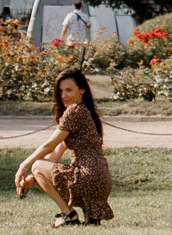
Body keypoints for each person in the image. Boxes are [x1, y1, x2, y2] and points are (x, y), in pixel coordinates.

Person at [16, 69, 115, 226]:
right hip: (102, 181)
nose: (64, 95)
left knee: (36, 165)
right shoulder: (87, 112)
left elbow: (49, 146)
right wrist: (33, 178)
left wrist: (24, 166)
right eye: (61, 91)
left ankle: (68, 214)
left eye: (69, 90)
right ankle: (90, 216)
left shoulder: (74, 111)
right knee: (40, 171)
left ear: (82, 89)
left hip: (87, 178)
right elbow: (56, 153)